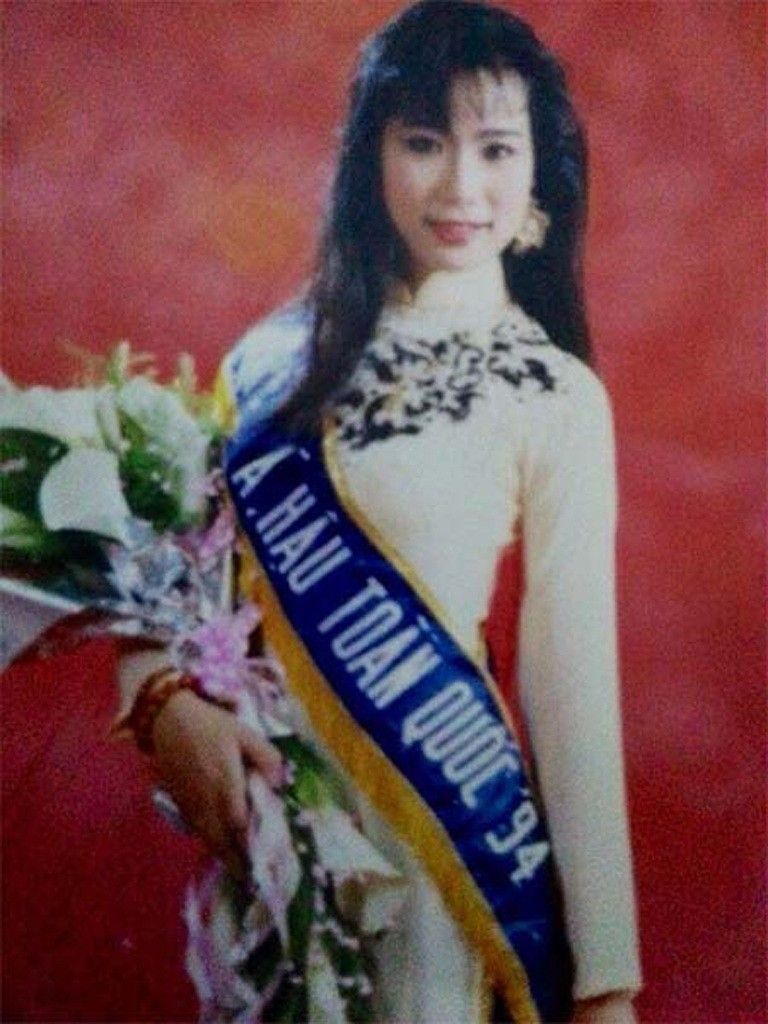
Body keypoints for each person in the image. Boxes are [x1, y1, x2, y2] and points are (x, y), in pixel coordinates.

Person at [119, 1, 642, 1020]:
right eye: (424, 142)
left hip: (442, 856)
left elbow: (572, 687)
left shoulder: (554, 394)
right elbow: (173, 593)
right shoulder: (270, 360)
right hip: (275, 849)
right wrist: (162, 700)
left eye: (497, 149)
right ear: (372, 157)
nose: (461, 187)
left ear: (540, 170)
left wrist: (606, 984)